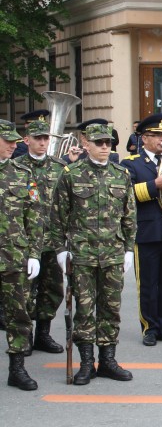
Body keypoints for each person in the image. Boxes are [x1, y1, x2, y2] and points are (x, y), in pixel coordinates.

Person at [51, 122, 136, 386]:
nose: (104, 147)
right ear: (86, 144)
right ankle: (87, 363)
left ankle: (108, 360)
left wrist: (129, 249)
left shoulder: (121, 174)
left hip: (112, 254)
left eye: (108, 143)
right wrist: (61, 250)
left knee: (111, 309)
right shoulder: (71, 174)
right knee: (85, 310)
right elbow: (58, 216)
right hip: (83, 255)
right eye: (99, 142)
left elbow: (129, 216)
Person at [121, 113, 162, 346]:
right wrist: (154, 185)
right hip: (147, 231)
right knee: (148, 283)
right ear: (144, 138)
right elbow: (126, 195)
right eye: (157, 135)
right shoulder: (131, 163)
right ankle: (149, 327)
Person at [16, 119, 68, 354]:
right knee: (25, 290)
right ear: (27, 140)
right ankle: (24, 335)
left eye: (46, 138)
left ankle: (43, 334)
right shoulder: (16, 167)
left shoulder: (59, 167)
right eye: (38, 138)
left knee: (52, 289)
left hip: (53, 240)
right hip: (26, 241)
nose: (43, 142)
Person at [0, 120, 42, 390]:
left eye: (15, 141)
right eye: (8, 141)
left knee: (18, 314)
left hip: (13, 255)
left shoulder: (22, 173)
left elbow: (34, 216)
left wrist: (34, 253)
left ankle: (17, 369)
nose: (14, 146)